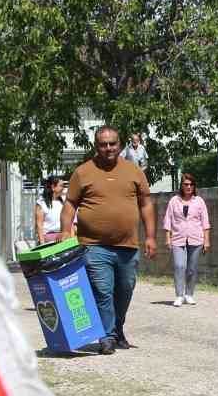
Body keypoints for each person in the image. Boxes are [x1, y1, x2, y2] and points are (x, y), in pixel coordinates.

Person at [63, 125, 156, 354]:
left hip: (127, 245)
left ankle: (117, 329)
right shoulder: (83, 172)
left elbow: (146, 204)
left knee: (125, 290)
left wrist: (151, 237)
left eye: (112, 143)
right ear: (96, 146)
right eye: (103, 144)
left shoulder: (134, 172)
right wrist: (66, 231)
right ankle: (106, 336)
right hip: (93, 245)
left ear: (120, 145)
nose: (108, 148)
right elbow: (70, 204)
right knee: (103, 291)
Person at [162, 172, 211, 306]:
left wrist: (206, 241)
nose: (189, 187)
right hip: (178, 238)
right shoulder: (174, 201)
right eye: (186, 184)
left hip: (196, 239)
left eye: (191, 184)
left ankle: (189, 294)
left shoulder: (199, 201)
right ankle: (179, 295)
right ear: (182, 186)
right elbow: (168, 220)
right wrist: (168, 238)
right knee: (179, 266)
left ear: (194, 186)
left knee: (192, 268)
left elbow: (205, 222)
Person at [34, 175, 65, 244]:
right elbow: (39, 225)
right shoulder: (41, 203)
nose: (63, 188)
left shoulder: (62, 203)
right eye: (61, 186)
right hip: (47, 239)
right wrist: (42, 243)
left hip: (61, 237)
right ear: (53, 187)